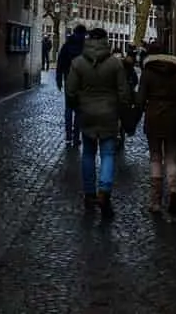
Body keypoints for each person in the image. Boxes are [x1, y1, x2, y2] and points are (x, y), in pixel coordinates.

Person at [66, 26, 130, 219]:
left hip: (86, 113)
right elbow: (124, 92)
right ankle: (104, 191)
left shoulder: (78, 63)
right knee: (108, 153)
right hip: (109, 113)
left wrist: (77, 106)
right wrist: (122, 110)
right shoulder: (115, 64)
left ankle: (89, 193)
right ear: (105, 41)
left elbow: (70, 91)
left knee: (88, 153)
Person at [136, 37, 176, 216]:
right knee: (171, 159)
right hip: (173, 118)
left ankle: (155, 201)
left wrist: (132, 117)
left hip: (153, 118)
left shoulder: (147, 73)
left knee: (155, 158)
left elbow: (140, 100)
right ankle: (174, 191)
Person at [55, 24, 87, 146]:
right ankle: (76, 137)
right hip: (82, 82)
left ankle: (68, 135)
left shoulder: (66, 46)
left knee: (68, 109)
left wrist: (59, 79)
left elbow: (60, 63)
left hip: (68, 79)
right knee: (79, 111)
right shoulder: (85, 47)